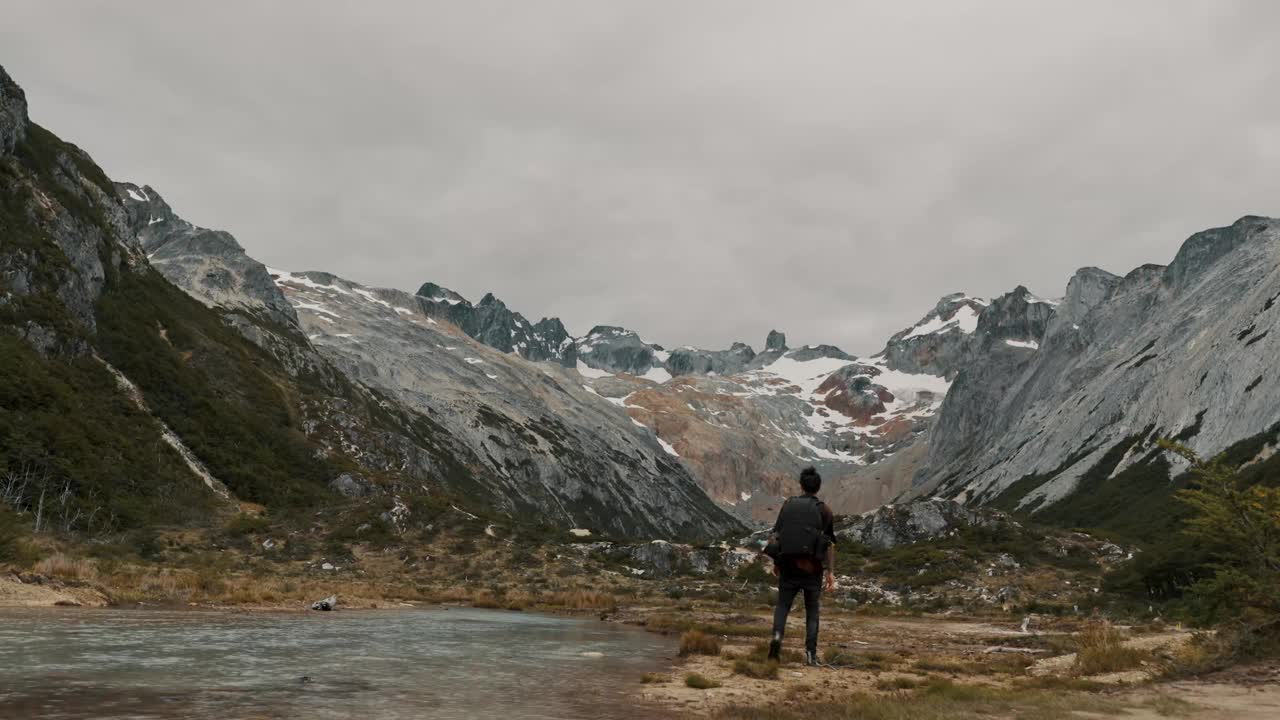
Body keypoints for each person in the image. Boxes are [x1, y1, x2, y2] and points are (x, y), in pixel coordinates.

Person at [765, 466, 836, 666]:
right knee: (812, 611)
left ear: (801, 485)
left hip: (787, 565)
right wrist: (831, 572)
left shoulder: (787, 505)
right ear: (818, 487)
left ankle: (776, 641)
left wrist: (777, 562)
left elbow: (775, 535)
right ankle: (811, 654)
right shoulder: (824, 509)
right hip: (813, 569)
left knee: (782, 607)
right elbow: (829, 543)